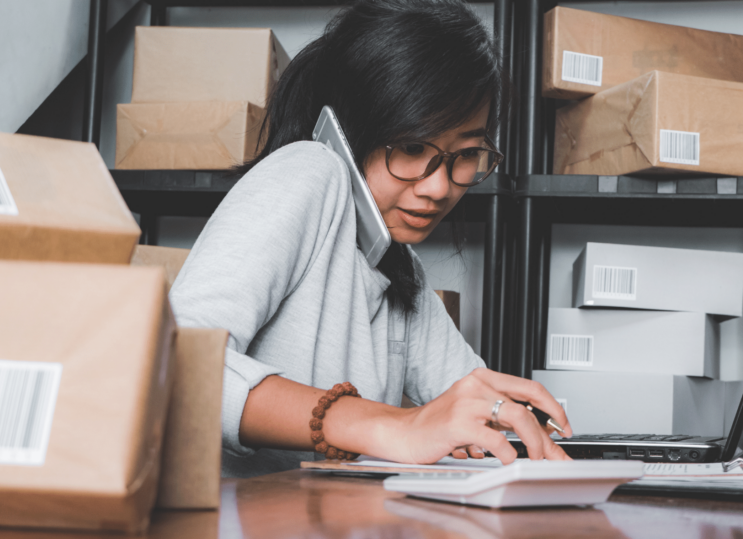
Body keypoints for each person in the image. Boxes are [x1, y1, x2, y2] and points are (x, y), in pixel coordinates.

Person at [170, 0, 573, 478]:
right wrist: (392, 426)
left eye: (465, 154)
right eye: (411, 147)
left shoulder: (398, 265)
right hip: (232, 538)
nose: (438, 187)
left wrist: (522, 428)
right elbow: (178, 365)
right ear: (351, 130)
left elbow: (465, 401)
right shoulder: (308, 170)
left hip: (334, 538)